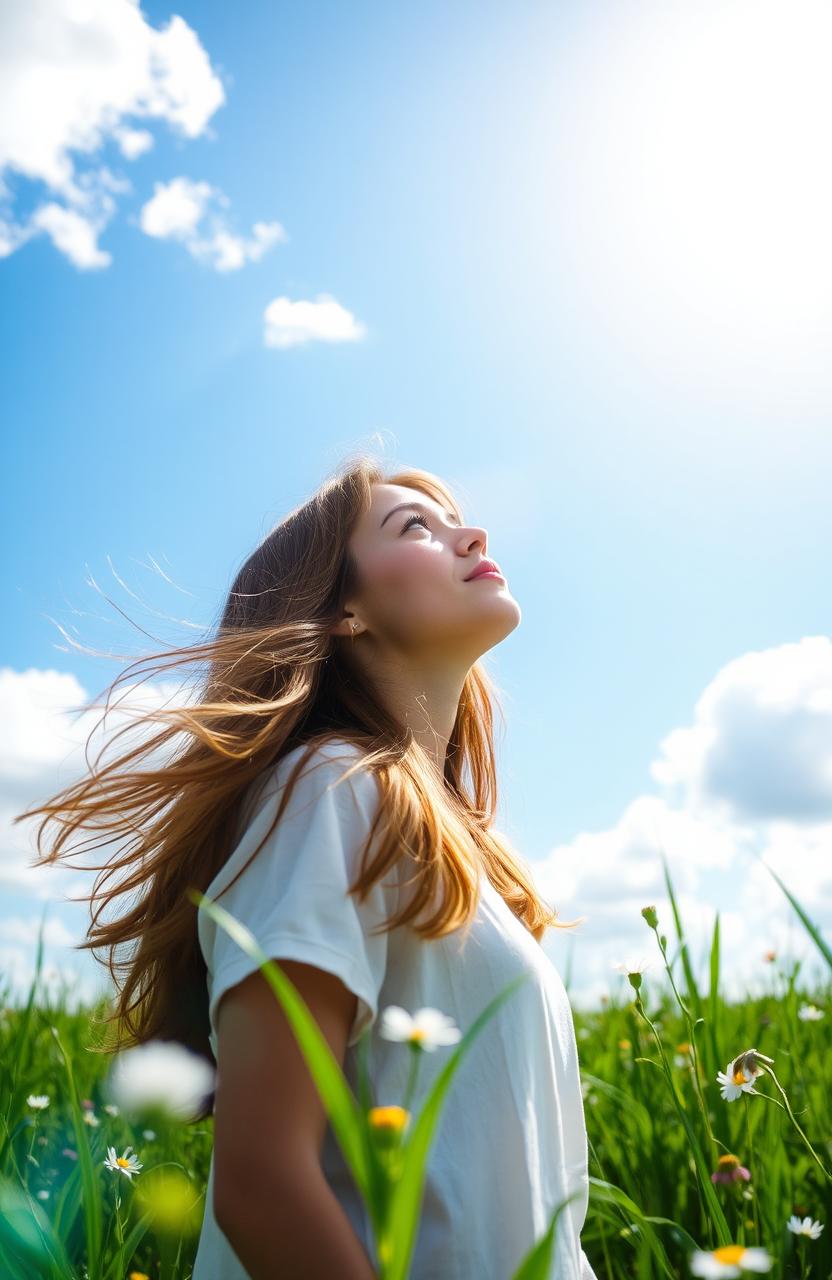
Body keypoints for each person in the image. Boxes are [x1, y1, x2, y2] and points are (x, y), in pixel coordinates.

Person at [20, 453, 598, 1278]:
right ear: (343, 612)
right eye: (416, 528)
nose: (471, 534)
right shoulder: (330, 786)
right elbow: (262, 1186)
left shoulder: (439, 839)